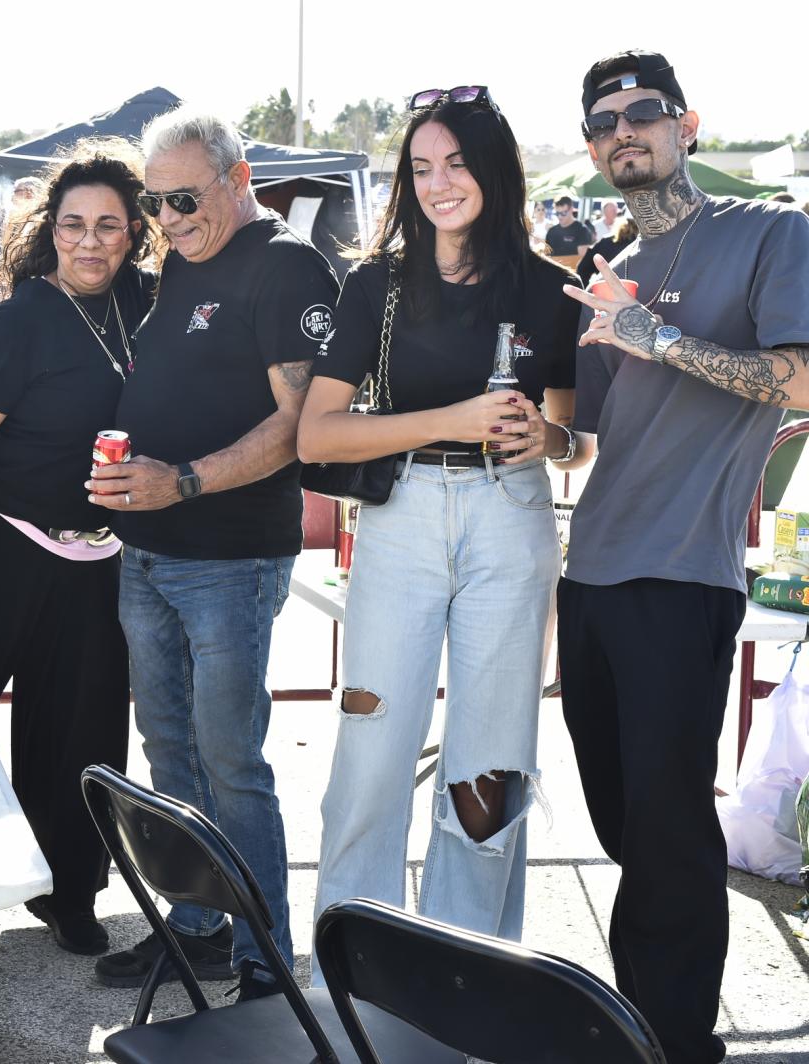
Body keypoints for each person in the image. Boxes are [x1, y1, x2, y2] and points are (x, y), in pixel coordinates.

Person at [298, 84, 592, 973]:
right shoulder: (374, 283)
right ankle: (353, 965)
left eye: (457, 163)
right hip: (402, 519)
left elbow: (575, 441)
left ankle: (471, 971)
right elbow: (317, 435)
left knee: (491, 760)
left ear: (495, 171)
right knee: (372, 746)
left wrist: (547, 437)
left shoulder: (551, 290)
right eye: (420, 167)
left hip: (513, 518)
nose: (438, 184)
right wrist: (451, 419)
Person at [559, 51, 809, 1064]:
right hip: (589, 576)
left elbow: (795, 381)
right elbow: (586, 436)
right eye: (604, 120)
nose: (625, 129)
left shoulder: (766, 235)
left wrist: (651, 339)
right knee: (626, 822)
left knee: (667, 828)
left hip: (681, 572)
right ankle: (639, 1013)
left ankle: (670, 1041)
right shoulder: (606, 267)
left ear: (686, 125)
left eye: (644, 112)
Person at [85, 107, 338, 1000]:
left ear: (240, 175)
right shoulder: (183, 264)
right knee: (171, 753)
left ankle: (265, 957)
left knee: (232, 758)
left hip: (227, 557)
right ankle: (195, 932)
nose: (168, 219)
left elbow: (302, 424)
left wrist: (182, 481)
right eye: (155, 203)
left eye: (185, 197)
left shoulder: (283, 263)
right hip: (148, 553)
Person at [0, 139, 156, 972]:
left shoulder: (147, 304)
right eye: (74, 224)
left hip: (99, 561)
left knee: (82, 742)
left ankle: (69, 893)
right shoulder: (21, 318)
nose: (90, 242)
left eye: (109, 227)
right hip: (2, 553)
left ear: (133, 234)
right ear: (51, 229)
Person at [576, 214, 637, 286]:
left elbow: (582, 269)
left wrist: (588, 290)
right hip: (638, 291)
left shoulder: (604, 242)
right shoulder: (642, 244)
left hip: (606, 290)